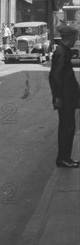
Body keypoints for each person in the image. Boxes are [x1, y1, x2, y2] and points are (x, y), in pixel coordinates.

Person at [48, 26, 80, 168]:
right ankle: (63, 159)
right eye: (75, 38)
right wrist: (58, 96)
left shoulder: (63, 51)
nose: (76, 41)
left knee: (68, 127)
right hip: (65, 98)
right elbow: (55, 76)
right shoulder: (61, 52)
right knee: (67, 127)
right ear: (70, 38)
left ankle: (65, 158)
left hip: (68, 97)